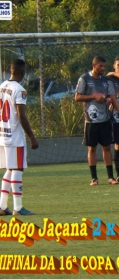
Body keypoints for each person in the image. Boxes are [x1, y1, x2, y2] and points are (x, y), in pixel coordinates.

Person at [74, 56, 119, 186]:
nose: (103, 69)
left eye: (104, 66)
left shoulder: (106, 80)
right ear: (94, 65)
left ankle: (110, 177)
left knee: (107, 147)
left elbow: (111, 97)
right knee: (92, 148)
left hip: (105, 119)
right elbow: (77, 97)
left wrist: (112, 104)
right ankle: (94, 178)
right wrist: (93, 97)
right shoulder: (84, 79)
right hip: (91, 120)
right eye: (100, 66)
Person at [0, 58, 39, 215]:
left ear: (10, 70)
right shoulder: (20, 90)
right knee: (18, 168)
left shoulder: (2, 86)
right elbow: (21, 116)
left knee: (11, 168)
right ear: (23, 73)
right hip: (14, 136)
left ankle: (2, 206)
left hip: (2, 134)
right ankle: (18, 207)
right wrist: (32, 136)